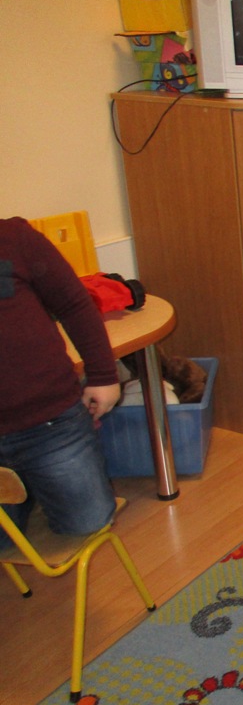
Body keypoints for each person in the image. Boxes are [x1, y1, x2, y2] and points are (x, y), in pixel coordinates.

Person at [0, 216, 119, 550]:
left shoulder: (13, 237)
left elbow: (74, 303)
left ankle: (34, 487)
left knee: (87, 523)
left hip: (50, 422)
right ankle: (27, 493)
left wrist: (103, 376)